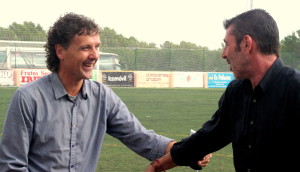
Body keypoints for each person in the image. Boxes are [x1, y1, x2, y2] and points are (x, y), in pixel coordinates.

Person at [0, 13, 211, 171]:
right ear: (60, 51)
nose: (95, 55)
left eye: (97, 46)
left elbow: (142, 139)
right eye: (85, 48)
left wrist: (188, 150)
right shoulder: (28, 98)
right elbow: (12, 165)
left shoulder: (103, 97)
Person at [145, 8, 300, 172]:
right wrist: (158, 166)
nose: (223, 54)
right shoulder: (236, 92)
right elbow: (208, 137)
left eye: (226, 44)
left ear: (246, 44)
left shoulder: (295, 90)